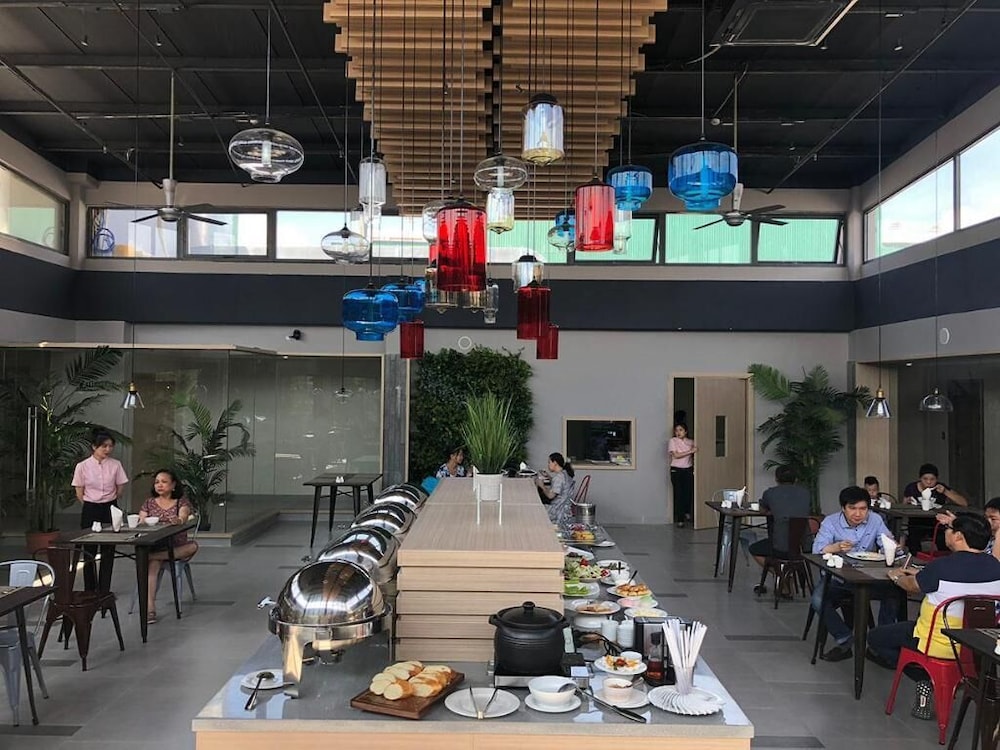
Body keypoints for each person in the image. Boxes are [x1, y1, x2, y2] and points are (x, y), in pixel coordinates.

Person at [867, 514, 1000, 720]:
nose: (946, 533)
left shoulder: (942, 566)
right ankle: (946, 679)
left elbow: (911, 586)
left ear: (958, 536)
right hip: (978, 644)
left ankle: (926, 678)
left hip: (938, 642)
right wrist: (922, 574)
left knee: (875, 638)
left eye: (949, 529)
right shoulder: (996, 566)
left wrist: (896, 576)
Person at [811, 485, 901, 662]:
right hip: (837, 579)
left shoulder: (875, 519)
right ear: (843, 508)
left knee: (894, 592)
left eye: (863, 509)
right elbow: (816, 550)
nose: (858, 514)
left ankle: (881, 642)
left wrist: (892, 548)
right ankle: (844, 638)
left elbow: (886, 542)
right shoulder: (831, 522)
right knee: (818, 600)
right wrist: (836, 547)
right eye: (852, 508)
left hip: (867, 577)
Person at [71, 427, 129, 591]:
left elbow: (120, 487)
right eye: (104, 446)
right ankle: (90, 589)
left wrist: (111, 500)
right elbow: (79, 490)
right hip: (90, 507)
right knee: (89, 549)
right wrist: (90, 503)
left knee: (108, 549)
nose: (108, 449)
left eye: (110, 446)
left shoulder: (116, 465)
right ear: (94, 447)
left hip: (110, 506)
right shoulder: (82, 466)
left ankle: (104, 589)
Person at [138, 469, 199, 624]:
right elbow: (141, 521)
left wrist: (178, 520)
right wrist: (143, 522)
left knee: (193, 546)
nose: (159, 485)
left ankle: (151, 556)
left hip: (176, 545)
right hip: (157, 544)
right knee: (153, 566)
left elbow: (183, 516)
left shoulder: (181, 502)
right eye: (157, 482)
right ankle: (150, 609)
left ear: (173, 485)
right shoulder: (149, 503)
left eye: (164, 482)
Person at [749, 466, 812, 584]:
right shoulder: (805, 493)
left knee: (754, 549)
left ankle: (782, 576)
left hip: (780, 547)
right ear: (796, 479)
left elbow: (763, 510)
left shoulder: (770, 493)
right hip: (805, 546)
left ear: (776, 479)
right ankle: (786, 576)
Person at [901, 463, 968, 554]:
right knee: (913, 538)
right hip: (916, 521)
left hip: (937, 521)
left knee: (943, 538)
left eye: (932, 479)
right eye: (925, 479)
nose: (929, 482)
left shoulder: (940, 487)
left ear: (937, 479)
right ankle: (915, 557)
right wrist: (908, 501)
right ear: (920, 478)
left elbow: (963, 503)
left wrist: (945, 492)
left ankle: (944, 557)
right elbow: (903, 505)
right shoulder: (912, 488)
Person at [934, 497, 1000, 562]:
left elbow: (995, 563)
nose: (988, 521)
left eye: (993, 519)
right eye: (985, 517)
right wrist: (957, 523)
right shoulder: (985, 534)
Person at [668, 423, 697, 527]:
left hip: (688, 469)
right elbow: (676, 455)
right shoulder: (673, 441)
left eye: (681, 430)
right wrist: (691, 451)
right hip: (676, 470)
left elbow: (697, 451)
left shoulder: (691, 442)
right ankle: (680, 519)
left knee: (688, 493)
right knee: (679, 494)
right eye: (676, 430)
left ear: (686, 431)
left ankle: (687, 513)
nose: (678, 432)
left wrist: (693, 451)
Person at [536, 452, 576, 526]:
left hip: (558, 510)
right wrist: (549, 477)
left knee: (536, 510)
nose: (548, 465)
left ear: (555, 463)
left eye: (549, 462)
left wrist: (542, 486)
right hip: (566, 510)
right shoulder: (565, 473)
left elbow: (550, 496)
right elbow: (561, 486)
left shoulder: (559, 477)